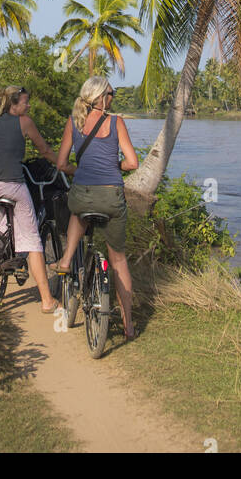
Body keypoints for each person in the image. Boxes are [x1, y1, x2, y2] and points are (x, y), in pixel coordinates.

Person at [54, 76, 139, 340]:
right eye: (111, 94)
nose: (113, 98)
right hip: (112, 197)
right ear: (101, 98)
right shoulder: (116, 122)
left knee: (78, 209)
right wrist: (115, 167)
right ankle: (128, 327)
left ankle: (67, 258)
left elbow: (61, 164)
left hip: (83, 193)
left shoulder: (73, 122)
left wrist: (79, 170)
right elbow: (133, 163)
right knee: (119, 260)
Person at [0, 85, 60, 313]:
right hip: (12, 185)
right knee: (32, 240)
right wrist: (64, 165)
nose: (29, 105)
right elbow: (44, 150)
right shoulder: (24, 121)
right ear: (14, 105)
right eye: (25, 102)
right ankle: (47, 300)